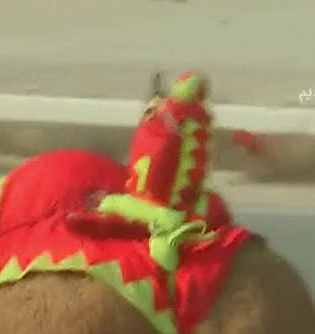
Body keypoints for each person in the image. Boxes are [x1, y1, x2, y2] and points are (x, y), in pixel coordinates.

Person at [67, 70, 259, 238]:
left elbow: (156, 171)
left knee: (123, 208)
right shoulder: (198, 122)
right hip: (184, 200)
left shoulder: (166, 126)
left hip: (161, 206)